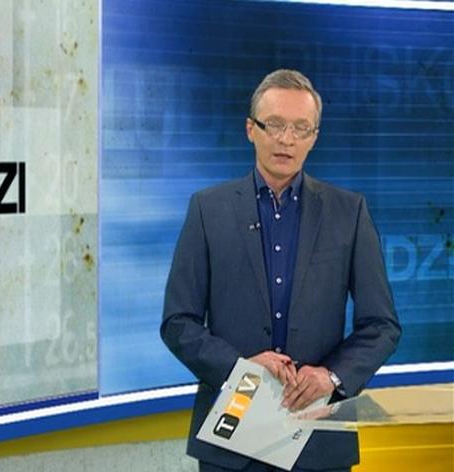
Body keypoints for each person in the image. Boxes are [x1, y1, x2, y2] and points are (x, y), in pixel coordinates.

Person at [160, 69, 401, 472]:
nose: (286, 139)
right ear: (250, 129)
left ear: (314, 137)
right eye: (274, 125)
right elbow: (177, 322)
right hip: (231, 440)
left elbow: (382, 325)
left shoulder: (349, 213)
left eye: (300, 128)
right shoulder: (207, 210)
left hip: (319, 438)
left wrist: (331, 377)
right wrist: (240, 371)